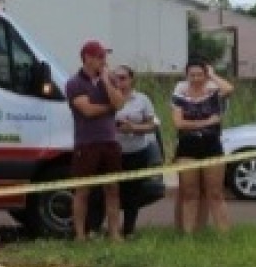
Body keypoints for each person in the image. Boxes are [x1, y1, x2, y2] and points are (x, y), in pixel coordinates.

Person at [89, 64, 160, 239]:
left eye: (123, 78)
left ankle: (128, 230)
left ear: (131, 79)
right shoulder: (105, 97)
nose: (120, 81)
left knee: (132, 194)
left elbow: (153, 125)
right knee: (102, 192)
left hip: (135, 152)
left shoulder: (142, 100)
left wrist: (134, 127)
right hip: (109, 152)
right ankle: (96, 229)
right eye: (116, 78)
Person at [64, 39, 124, 243]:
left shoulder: (111, 79)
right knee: (82, 191)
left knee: (112, 189)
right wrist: (109, 108)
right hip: (86, 143)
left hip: (110, 141)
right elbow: (87, 110)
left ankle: (115, 233)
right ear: (87, 58)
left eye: (104, 56)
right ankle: (80, 234)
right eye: (99, 56)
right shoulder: (74, 83)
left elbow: (119, 103)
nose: (103, 60)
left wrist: (107, 82)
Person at [171, 58, 236, 234]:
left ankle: (224, 234)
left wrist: (213, 75)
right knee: (189, 193)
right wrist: (206, 122)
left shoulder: (213, 92)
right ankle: (189, 234)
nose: (196, 78)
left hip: (211, 145)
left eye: (200, 74)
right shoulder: (180, 92)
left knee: (215, 192)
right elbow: (179, 123)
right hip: (187, 146)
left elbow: (229, 89)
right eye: (192, 74)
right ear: (186, 75)